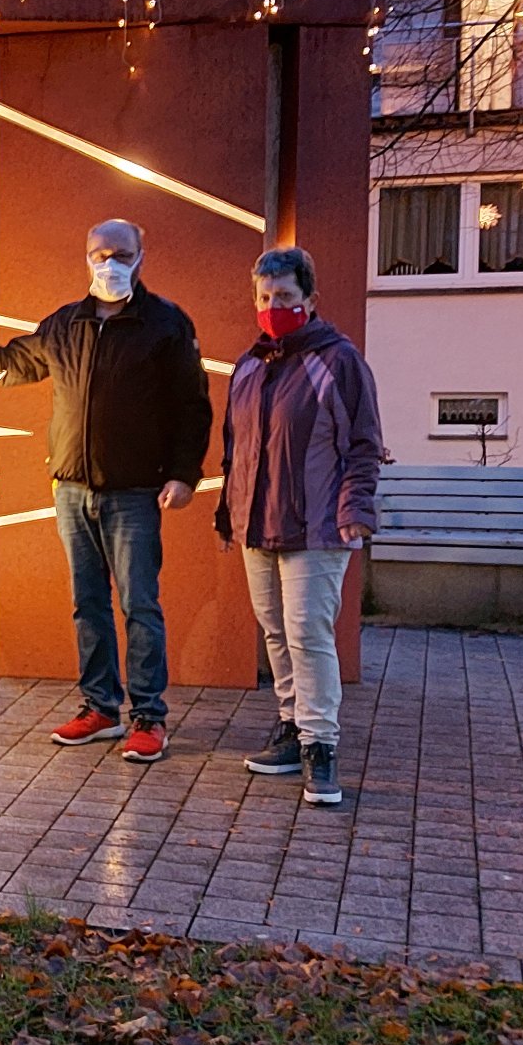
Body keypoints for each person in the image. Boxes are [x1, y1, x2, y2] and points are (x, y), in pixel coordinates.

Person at [0, 218, 211, 765]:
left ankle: (149, 718)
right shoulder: (65, 325)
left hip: (135, 492)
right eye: (99, 253)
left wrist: (183, 474)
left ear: (141, 254)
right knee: (88, 605)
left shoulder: (166, 325)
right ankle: (101, 709)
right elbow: (7, 366)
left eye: (121, 253)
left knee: (139, 605)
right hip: (71, 488)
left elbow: (192, 408)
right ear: (85, 258)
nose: (109, 263)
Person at [215, 245, 383, 807]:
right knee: (276, 634)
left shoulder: (338, 362)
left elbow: (363, 445)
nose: (272, 306)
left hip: (318, 526)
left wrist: (356, 510)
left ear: (310, 300)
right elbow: (234, 451)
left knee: (309, 633)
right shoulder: (248, 367)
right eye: (264, 297)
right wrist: (228, 513)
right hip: (258, 528)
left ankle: (320, 746)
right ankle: (290, 729)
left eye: (284, 296)